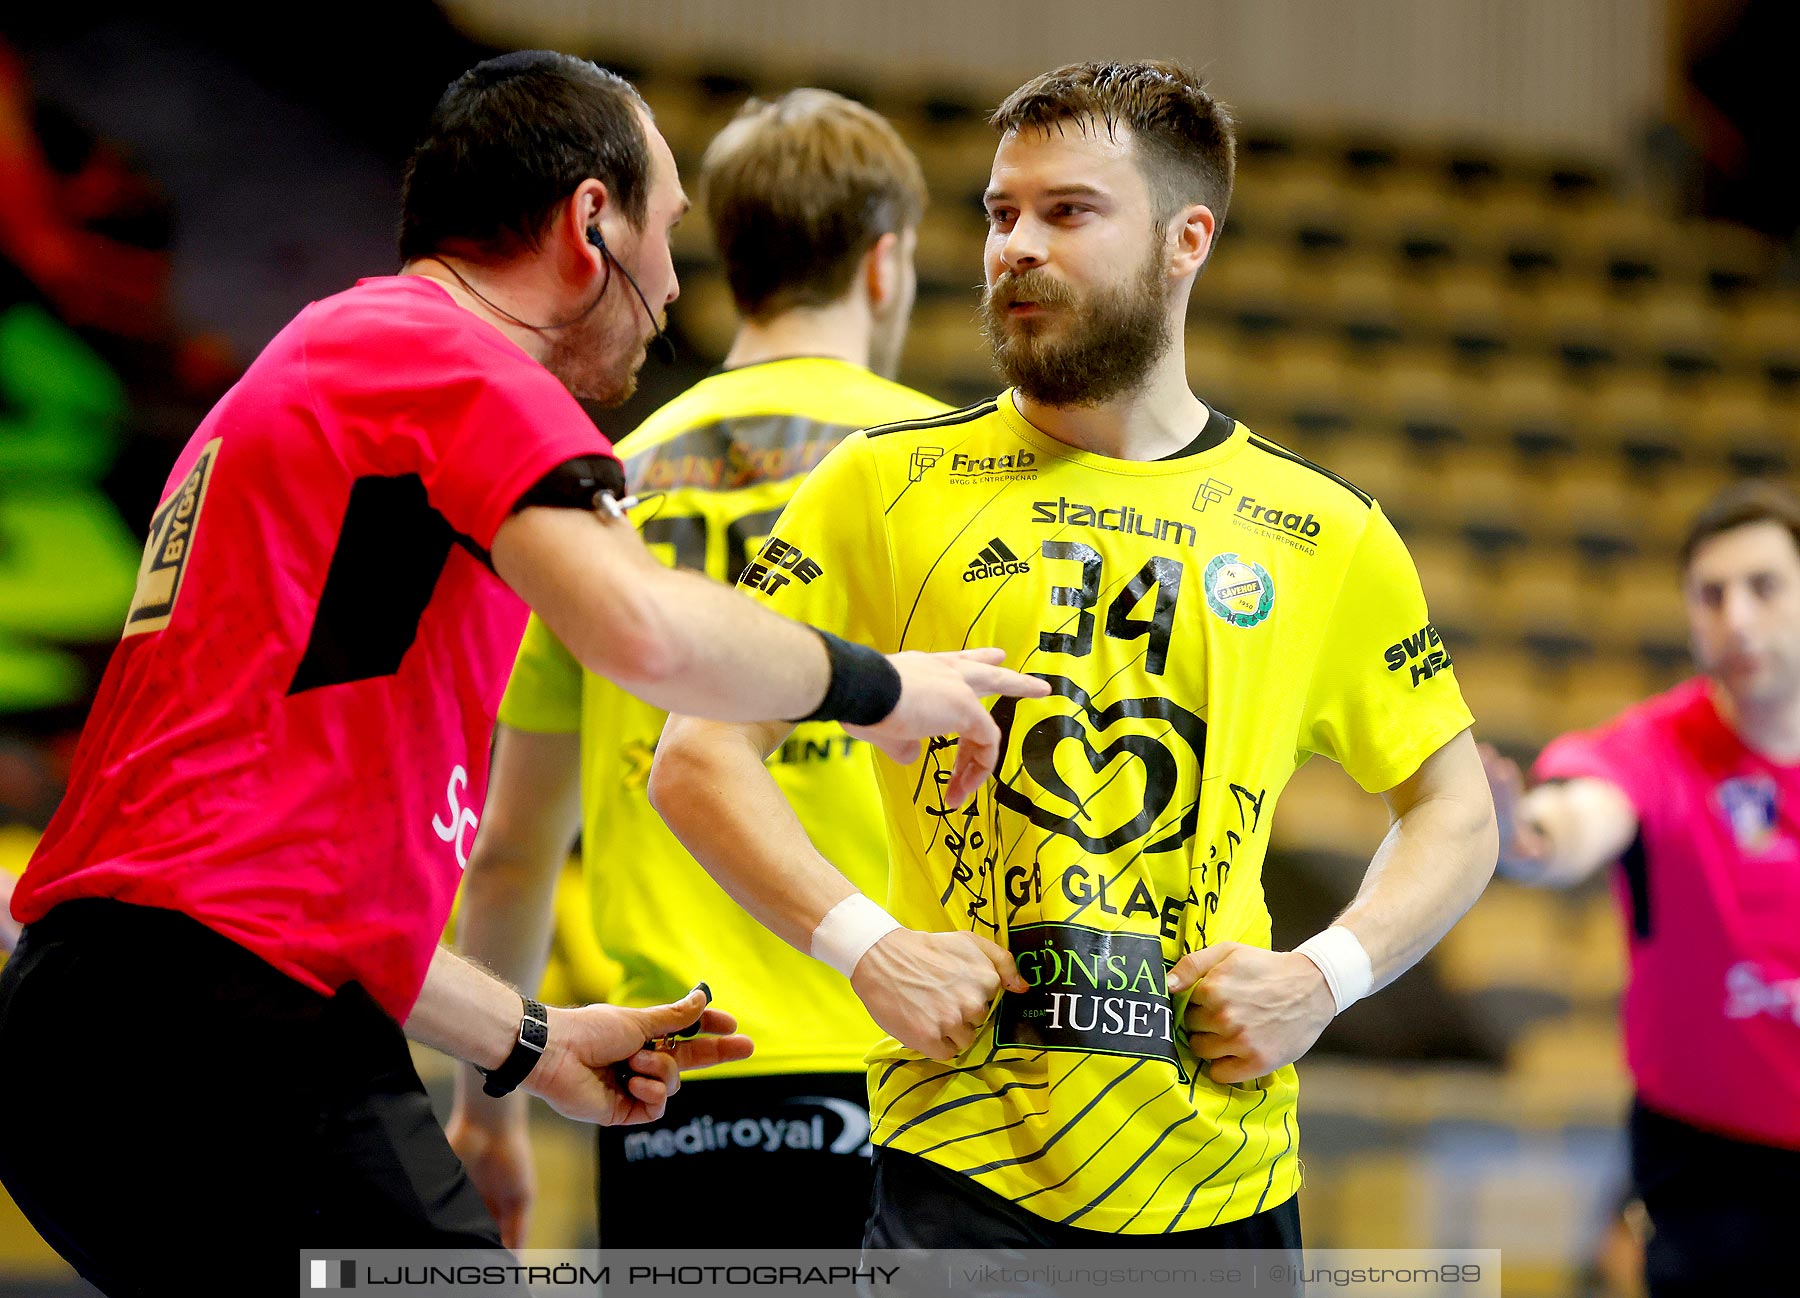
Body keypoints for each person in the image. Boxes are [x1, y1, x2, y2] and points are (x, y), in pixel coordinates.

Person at [0, 51, 1044, 1297]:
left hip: (111, 1023)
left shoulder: (332, 379)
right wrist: (891, 688)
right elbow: (645, 631)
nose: (670, 290)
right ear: (589, 222)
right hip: (220, 1026)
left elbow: (306, 884)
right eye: (665, 235)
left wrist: (534, 1042)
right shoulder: (444, 357)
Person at [652, 59, 1497, 1258]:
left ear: (1185, 238)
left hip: (1225, 1181)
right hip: (955, 1169)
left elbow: (1455, 811)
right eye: (1000, 214)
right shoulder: (880, 487)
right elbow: (696, 753)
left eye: (1067, 211)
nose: (1014, 246)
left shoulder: (1327, 532)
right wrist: (867, 944)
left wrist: (1324, 977)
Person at [446, 87, 941, 1249]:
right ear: (885, 265)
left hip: (672, 1079)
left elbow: (516, 847)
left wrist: (490, 1105)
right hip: (913, 1064)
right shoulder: (949, 476)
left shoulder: (598, 484)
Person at [1483, 480, 1800, 1298]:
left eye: (1763, 587)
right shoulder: (1657, 749)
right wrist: (1525, 835)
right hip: (1704, 1169)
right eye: (1710, 595)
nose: (1736, 617)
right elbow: (1582, 815)